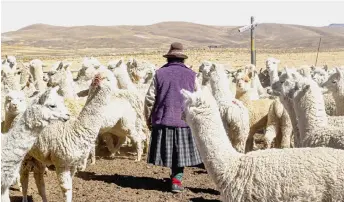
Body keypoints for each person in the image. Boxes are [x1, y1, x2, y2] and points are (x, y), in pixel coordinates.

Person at [144, 42, 203, 193]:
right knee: (179, 153)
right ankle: (176, 180)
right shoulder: (192, 75)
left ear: (168, 58)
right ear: (182, 59)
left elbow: (150, 99)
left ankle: (174, 178)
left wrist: (148, 117)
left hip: (163, 119)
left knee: (170, 151)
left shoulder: (159, 74)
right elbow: (199, 98)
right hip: (185, 120)